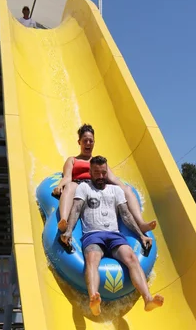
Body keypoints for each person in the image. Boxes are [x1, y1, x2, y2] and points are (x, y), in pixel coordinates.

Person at [61, 155, 164, 316]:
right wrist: (68, 231)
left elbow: (126, 216)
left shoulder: (116, 191)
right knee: (92, 258)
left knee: (131, 257)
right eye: (97, 172)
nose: (101, 176)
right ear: (90, 172)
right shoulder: (84, 188)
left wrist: (141, 235)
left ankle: (148, 298)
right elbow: (75, 210)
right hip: (93, 234)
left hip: (114, 235)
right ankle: (94, 298)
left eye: (103, 173)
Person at [53, 124, 156, 235]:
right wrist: (59, 186)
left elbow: (112, 178)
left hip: (96, 187)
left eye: (91, 141)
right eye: (85, 140)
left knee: (126, 188)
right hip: (79, 187)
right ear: (79, 142)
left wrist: (124, 189)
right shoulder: (72, 160)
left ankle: (141, 224)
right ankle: (63, 220)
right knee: (70, 186)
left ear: (94, 142)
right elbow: (67, 177)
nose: (88, 143)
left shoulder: (98, 162)